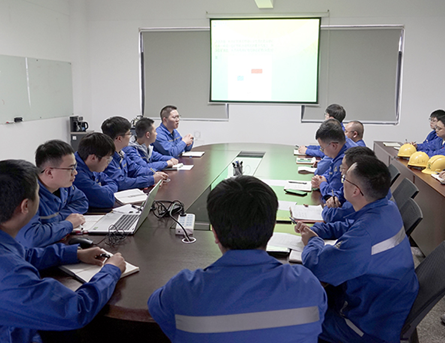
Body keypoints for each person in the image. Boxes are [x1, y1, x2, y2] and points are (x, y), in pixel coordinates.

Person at [0, 159, 125, 343]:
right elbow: (75, 310)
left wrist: (74, 253)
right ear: (26, 206)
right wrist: (111, 271)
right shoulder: (10, 276)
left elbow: (23, 254)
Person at [148, 175, 327, 342]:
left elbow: (157, 308)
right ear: (272, 228)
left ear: (214, 232)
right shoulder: (308, 286)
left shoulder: (183, 291)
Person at [296, 156, 418, 343]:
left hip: (364, 326)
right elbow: (350, 226)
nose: (342, 182)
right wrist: (319, 231)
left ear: (355, 191)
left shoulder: (365, 236)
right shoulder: (387, 207)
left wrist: (313, 241)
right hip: (383, 302)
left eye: (345, 179)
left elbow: (319, 267)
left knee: (293, 318)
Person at [16, 140, 88, 248]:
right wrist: (68, 223)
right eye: (70, 168)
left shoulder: (63, 186)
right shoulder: (28, 194)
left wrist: (58, 217)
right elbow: (33, 237)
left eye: (75, 167)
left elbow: (82, 201)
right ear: (49, 172)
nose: (75, 172)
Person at [322, 146, 393, 224]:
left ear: (353, 170)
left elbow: (331, 216)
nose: (341, 172)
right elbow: (341, 191)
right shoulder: (372, 181)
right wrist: (334, 198)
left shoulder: (363, 196)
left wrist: (326, 206)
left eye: (343, 168)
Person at [101, 116, 168, 191]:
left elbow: (135, 169)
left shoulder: (121, 153)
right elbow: (121, 183)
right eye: (129, 134)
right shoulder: (106, 159)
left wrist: (154, 173)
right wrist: (151, 179)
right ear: (119, 138)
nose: (131, 137)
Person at [73, 132, 119, 208]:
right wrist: (104, 191)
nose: (108, 162)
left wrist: (102, 190)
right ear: (93, 158)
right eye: (108, 158)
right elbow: (107, 200)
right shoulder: (77, 174)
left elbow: (112, 182)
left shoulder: (92, 166)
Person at [311, 119, 349, 200]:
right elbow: (331, 170)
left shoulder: (344, 160)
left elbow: (332, 193)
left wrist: (321, 184)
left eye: (322, 148)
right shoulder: (342, 146)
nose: (323, 152)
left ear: (334, 146)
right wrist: (323, 178)